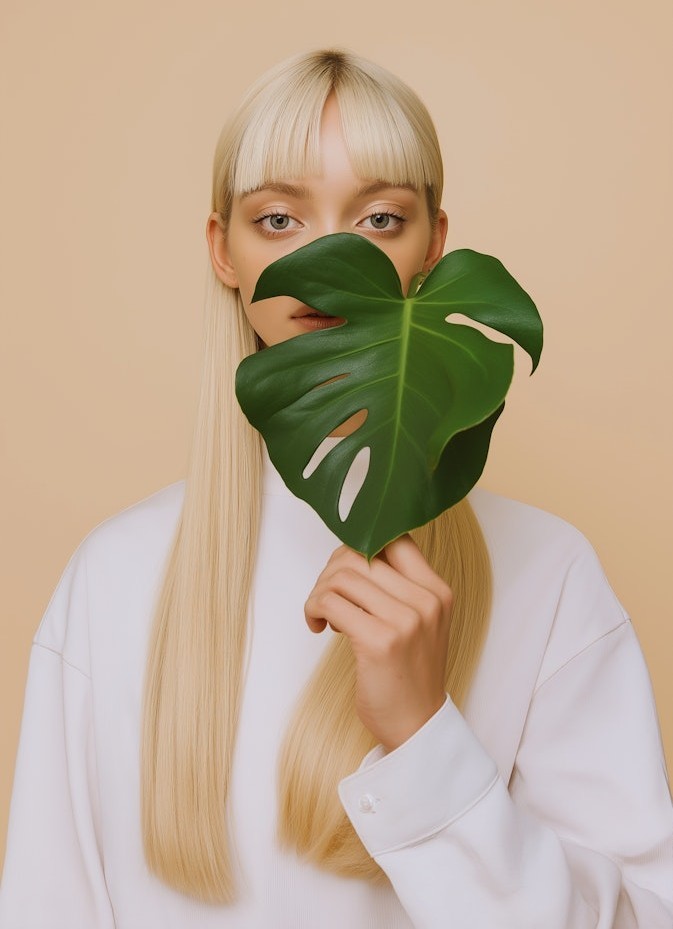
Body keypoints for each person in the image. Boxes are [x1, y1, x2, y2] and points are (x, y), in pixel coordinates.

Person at [0, 48, 671, 929]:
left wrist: (427, 734)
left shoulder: (548, 577)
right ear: (223, 253)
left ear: (433, 245)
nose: (327, 259)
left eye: (380, 218)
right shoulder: (116, 578)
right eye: (278, 219)